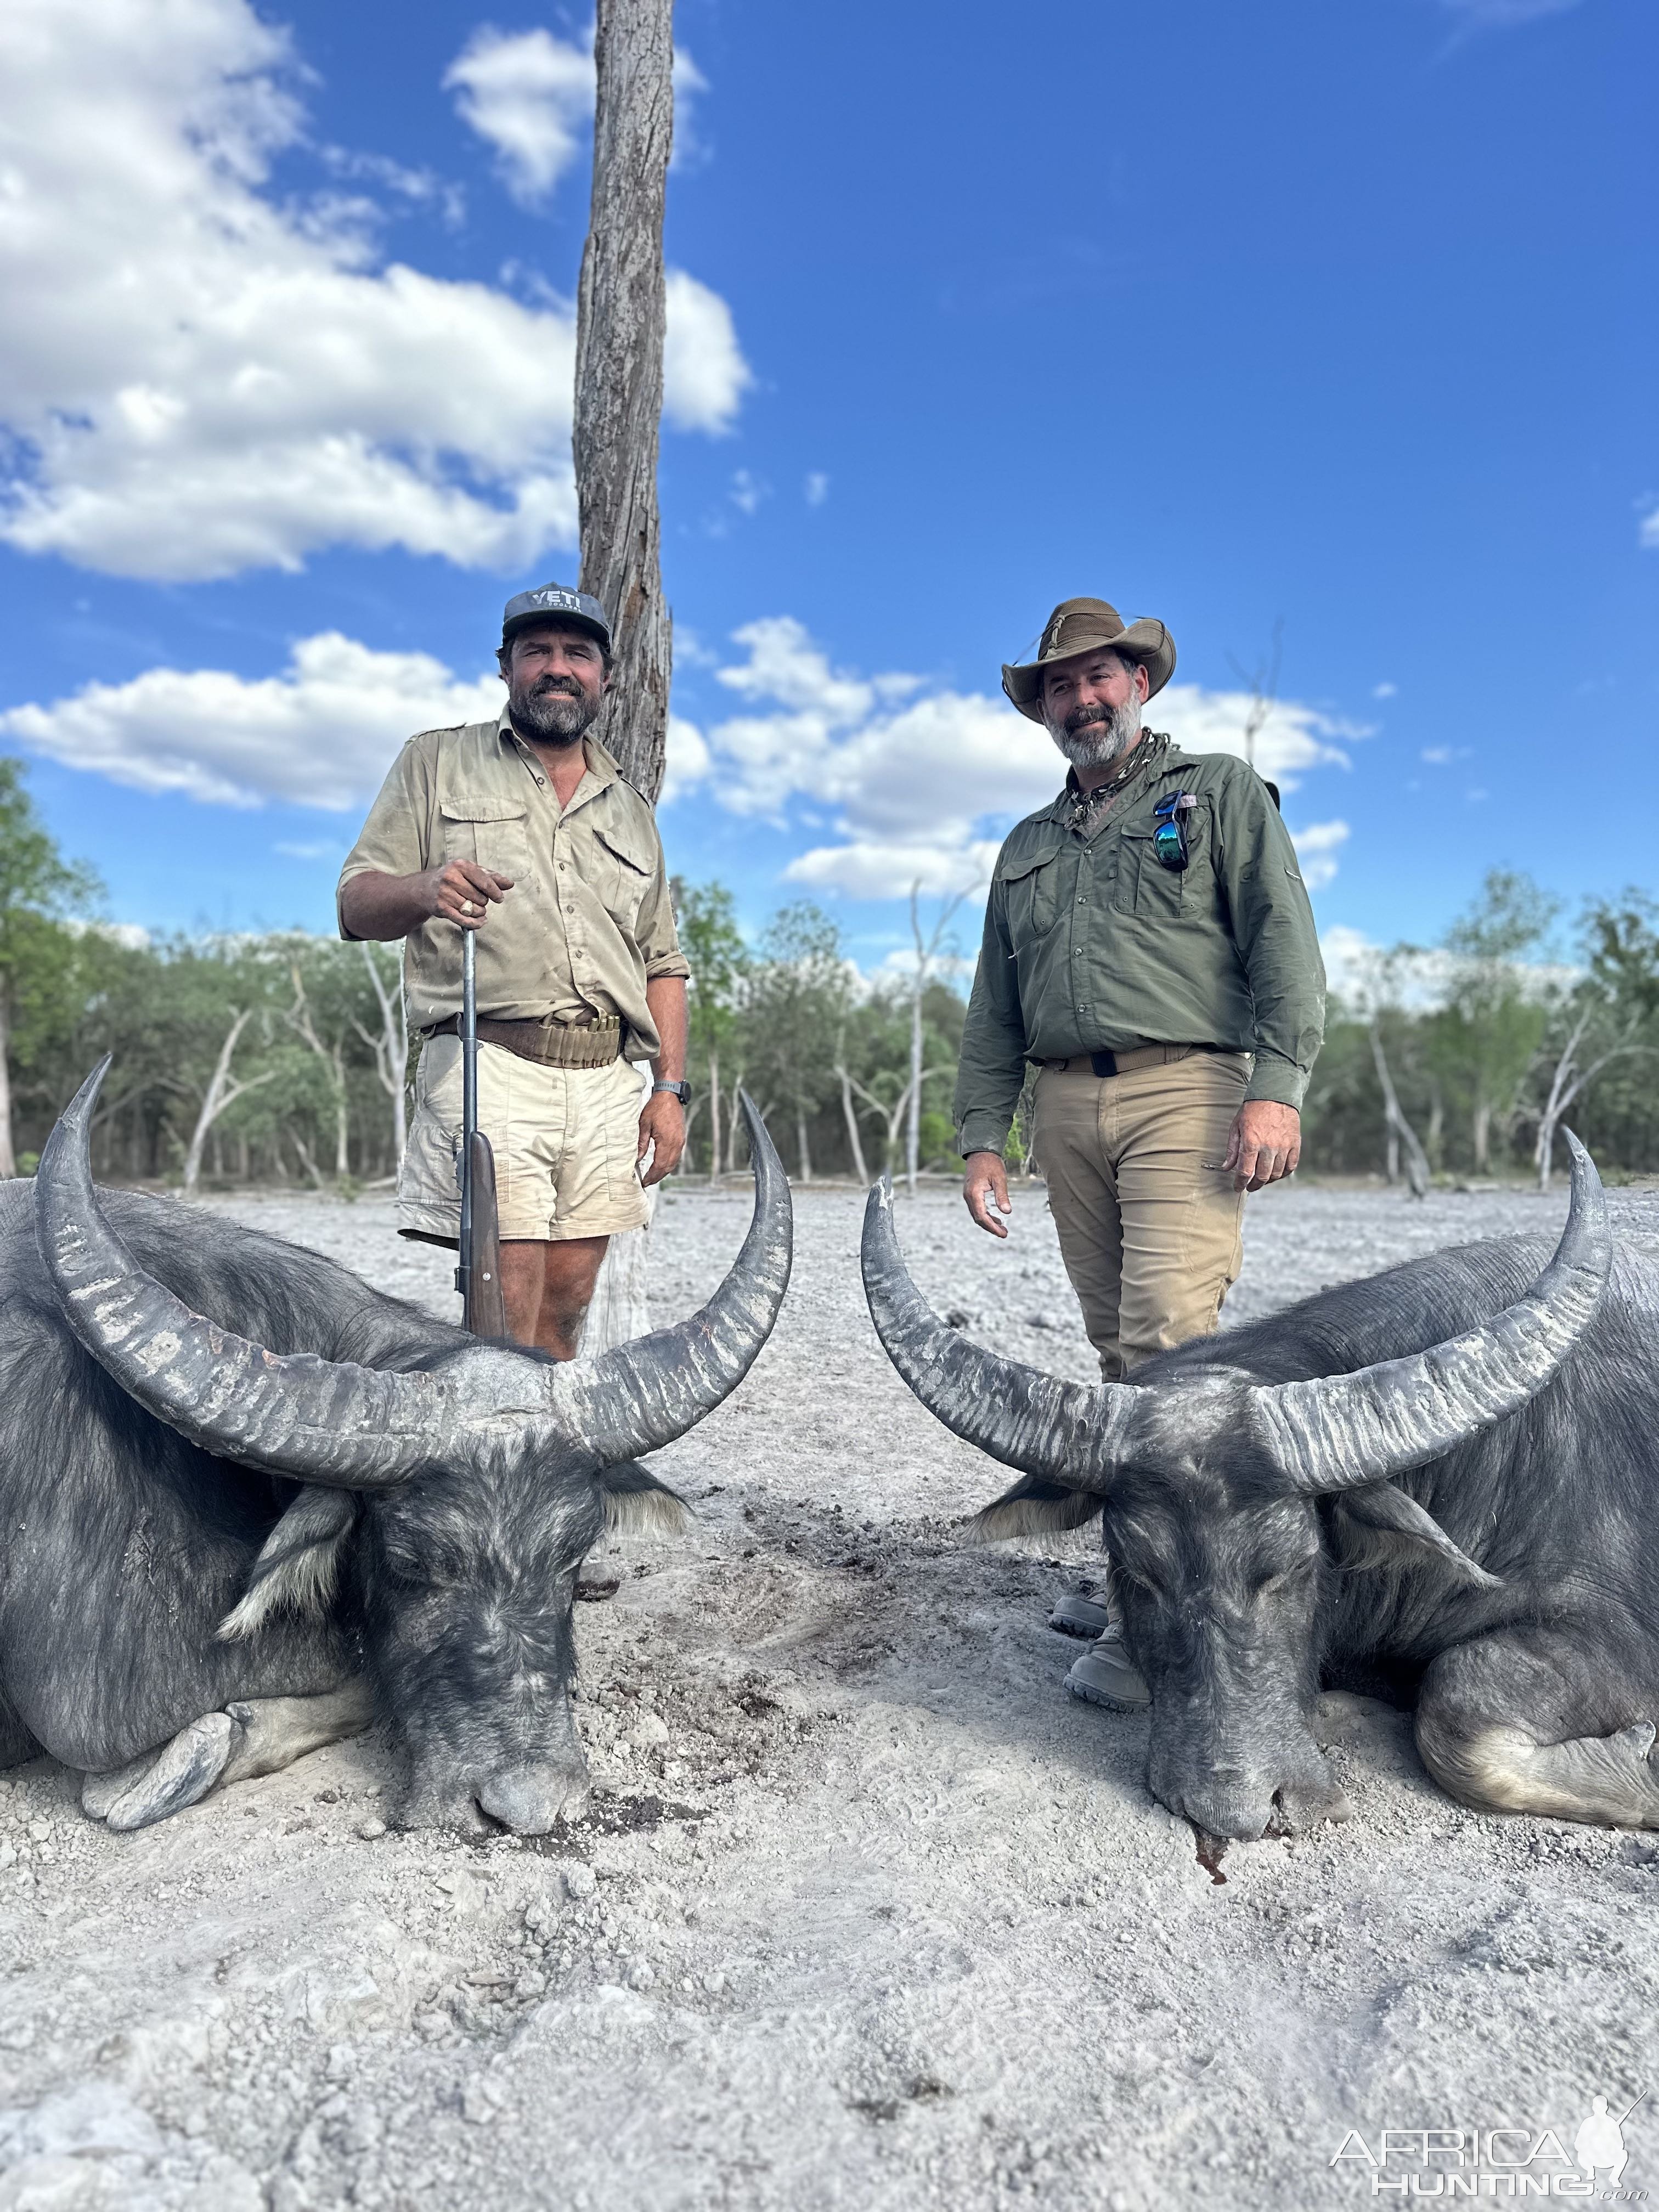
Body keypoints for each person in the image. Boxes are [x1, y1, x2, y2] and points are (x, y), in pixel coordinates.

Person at [953, 595, 1325, 1708]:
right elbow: (993, 1010)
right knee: (1120, 1358)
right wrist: (983, 1135)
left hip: (1191, 1092)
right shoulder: (1024, 846)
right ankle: (1137, 1580)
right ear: (1045, 708)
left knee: (1174, 1345)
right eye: (1061, 685)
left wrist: (1277, 1090)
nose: (1082, 699)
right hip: (1067, 1108)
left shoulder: (1213, 794)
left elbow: (1284, 944)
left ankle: (1166, 1634)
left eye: (1098, 677)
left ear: (1140, 683)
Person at [337, 582, 691, 1358]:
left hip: (606, 1079)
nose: (557, 668)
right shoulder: (436, 760)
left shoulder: (631, 808)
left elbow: (663, 963)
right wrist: (425, 889)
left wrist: (668, 1090)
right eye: (537, 652)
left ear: (605, 676)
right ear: (506, 667)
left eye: (577, 654)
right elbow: (358, 902)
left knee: (567, 1307)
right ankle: (489, 1467)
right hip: (493, 1060)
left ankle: (549, 1468)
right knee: (505, 1308)